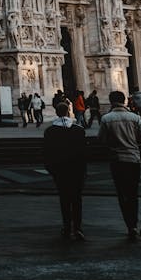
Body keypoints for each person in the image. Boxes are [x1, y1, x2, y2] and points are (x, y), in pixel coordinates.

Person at [98, 88, 141, 239]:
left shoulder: (106, 119)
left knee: (122, 193)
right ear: (125, 100)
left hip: (117, 160)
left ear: (111, 101)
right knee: (133, 193)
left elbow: (102, 140)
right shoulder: (134, 117)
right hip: (133, 159)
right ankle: (134, 224)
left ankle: (129, 224)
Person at [43, 99, 87, 240]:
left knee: (64, 199)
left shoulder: (49, 131)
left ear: (56, 112)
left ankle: (67, 227)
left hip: (60, 171)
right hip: (76, 171)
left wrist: (51, 169)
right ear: (69, 112)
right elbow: (84, 153)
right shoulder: (79, 130)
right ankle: (78, 228)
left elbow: (47, 153)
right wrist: (83, 171)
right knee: (77, 200)